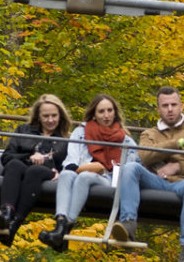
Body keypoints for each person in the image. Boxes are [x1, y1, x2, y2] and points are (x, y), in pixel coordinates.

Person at [115, 86, 184, 262]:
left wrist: (178, 166)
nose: (170, 109)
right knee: (130, 167)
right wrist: (179, 144)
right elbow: (143, 157)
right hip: (156, 182)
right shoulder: (149, 134)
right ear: (159, 109)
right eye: (165, 105)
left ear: (182, 107)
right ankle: (128, 225)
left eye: (174, 105)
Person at [41, 94, 135, 250]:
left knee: (84, 177)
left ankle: (65, 229)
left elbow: (130, 169)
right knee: (66, 174)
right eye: (101, 111)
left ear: (115, 112)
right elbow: (71, 161)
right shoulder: (80, 132)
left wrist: (97, 169)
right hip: (80, 171)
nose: (106, 115)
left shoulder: (125, 140)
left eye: (109, 110)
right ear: (94, 114)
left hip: (107, 179)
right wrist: (90, 166)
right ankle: (61, 223)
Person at [0, 94, 72, 245]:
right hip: (21, 170)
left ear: (60, 116)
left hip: (47, 174)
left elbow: (69, 164)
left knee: (34, 171)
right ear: (38, 117)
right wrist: (30, 157)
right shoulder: (23, 130)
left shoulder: (66, 139)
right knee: (15, 165)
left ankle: (14, 225)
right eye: (46, 116)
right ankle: (6, 213)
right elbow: (7, 157)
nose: (50, 120)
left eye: (54, 116)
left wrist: (52, 166)